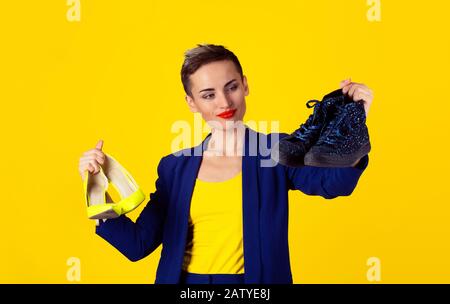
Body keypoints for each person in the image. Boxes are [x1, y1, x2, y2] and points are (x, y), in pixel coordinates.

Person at [78, 44, 374, 284]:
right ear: (192, 103)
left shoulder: (275, 151)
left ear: (245, 85)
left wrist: (355, 124)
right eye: (208, 95)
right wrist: (97, 191)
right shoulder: (173, 168)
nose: (224, 102)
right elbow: (138, 244)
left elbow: (332, 184)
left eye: (231, 87)